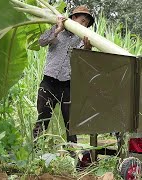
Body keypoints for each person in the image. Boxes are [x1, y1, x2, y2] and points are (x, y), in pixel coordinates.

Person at [33, 5, 95, 143]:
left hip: (67, 84)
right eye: (83, 20)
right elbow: (41, 42)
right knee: (43, 116)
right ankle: (35, 149)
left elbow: (84, 64)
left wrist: (87, 50)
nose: (84, 24)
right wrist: (57, 30)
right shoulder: (57, 29)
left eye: (86, 23)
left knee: (70, 122)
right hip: (49, 82)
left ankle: (73, 154)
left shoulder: (82, 40)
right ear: (74, 18)